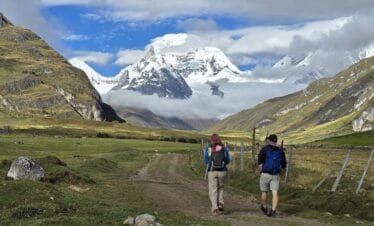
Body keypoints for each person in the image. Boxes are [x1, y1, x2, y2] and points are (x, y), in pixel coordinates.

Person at [258, 134, 287, 217]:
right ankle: (273, 210)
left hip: (265, 173)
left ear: (269, 140)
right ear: (276, 141)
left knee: (264, 192)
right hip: (275, 174)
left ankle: (264, 207)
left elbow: (259, 160)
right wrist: (282, 170)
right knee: (275, 193)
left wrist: (260, 168)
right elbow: (284, 164)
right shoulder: (280, 151)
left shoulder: (264, 149)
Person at [203, 133, 230, 215]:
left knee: (213, 190)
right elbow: (228, 160)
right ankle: (221, 203)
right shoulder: (223, 148)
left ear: (211, 140)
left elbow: (206, 160)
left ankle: (215, 208)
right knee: (221, 187)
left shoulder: (209, 148)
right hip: (222, 171)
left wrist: (211, 162)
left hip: (212, 171)